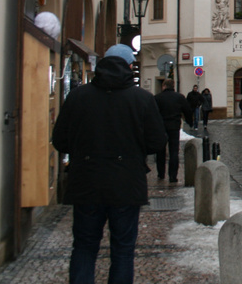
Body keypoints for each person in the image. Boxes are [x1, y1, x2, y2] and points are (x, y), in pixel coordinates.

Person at [52, 44, 167, 284]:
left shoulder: (78, 96)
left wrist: (84, 151)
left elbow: (60, 140)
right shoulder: (142, 98)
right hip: (126, 183)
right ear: (129, 67)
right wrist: (133, 151)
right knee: (123, 250)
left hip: (86, 182)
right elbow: (157, 142)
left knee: (84, 247)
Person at [154, 79, 193, 183]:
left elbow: (152, 113)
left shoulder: (157, 98)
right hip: (174, 126)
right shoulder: (179, 97)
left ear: (164, 86)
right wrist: (190, 122)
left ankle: (161, 173)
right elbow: (187, 110)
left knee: (160, 151)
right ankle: (172, 176)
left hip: (161, 127)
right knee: (174, 152)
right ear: (173, 86)